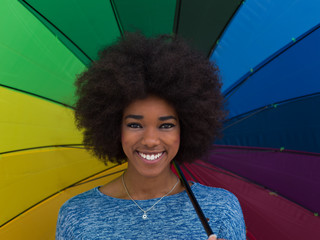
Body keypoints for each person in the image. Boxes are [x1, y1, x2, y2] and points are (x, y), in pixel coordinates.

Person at [56, 33, 246, 240]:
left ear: (186, 128)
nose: (150, 140)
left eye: (166, 125)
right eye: (135, 124)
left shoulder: (221, 210)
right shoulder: (77, 215)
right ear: (114, 127)